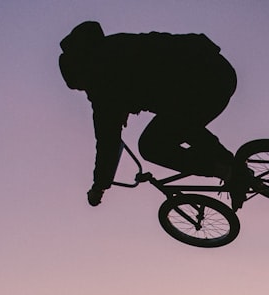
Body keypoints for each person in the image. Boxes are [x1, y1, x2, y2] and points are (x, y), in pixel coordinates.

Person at [59, 21, 249, 209]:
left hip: (202, 83)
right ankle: (232, 167)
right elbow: (141, 72)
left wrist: (99, 187)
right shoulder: (115, 47)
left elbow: (107, 142)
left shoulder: (104, 85)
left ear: (83, 70)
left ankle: (227, 170)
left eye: (82, 86)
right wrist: (125, 105)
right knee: (179, 122)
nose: (86, 91)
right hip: (218, 71)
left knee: (152, 145)